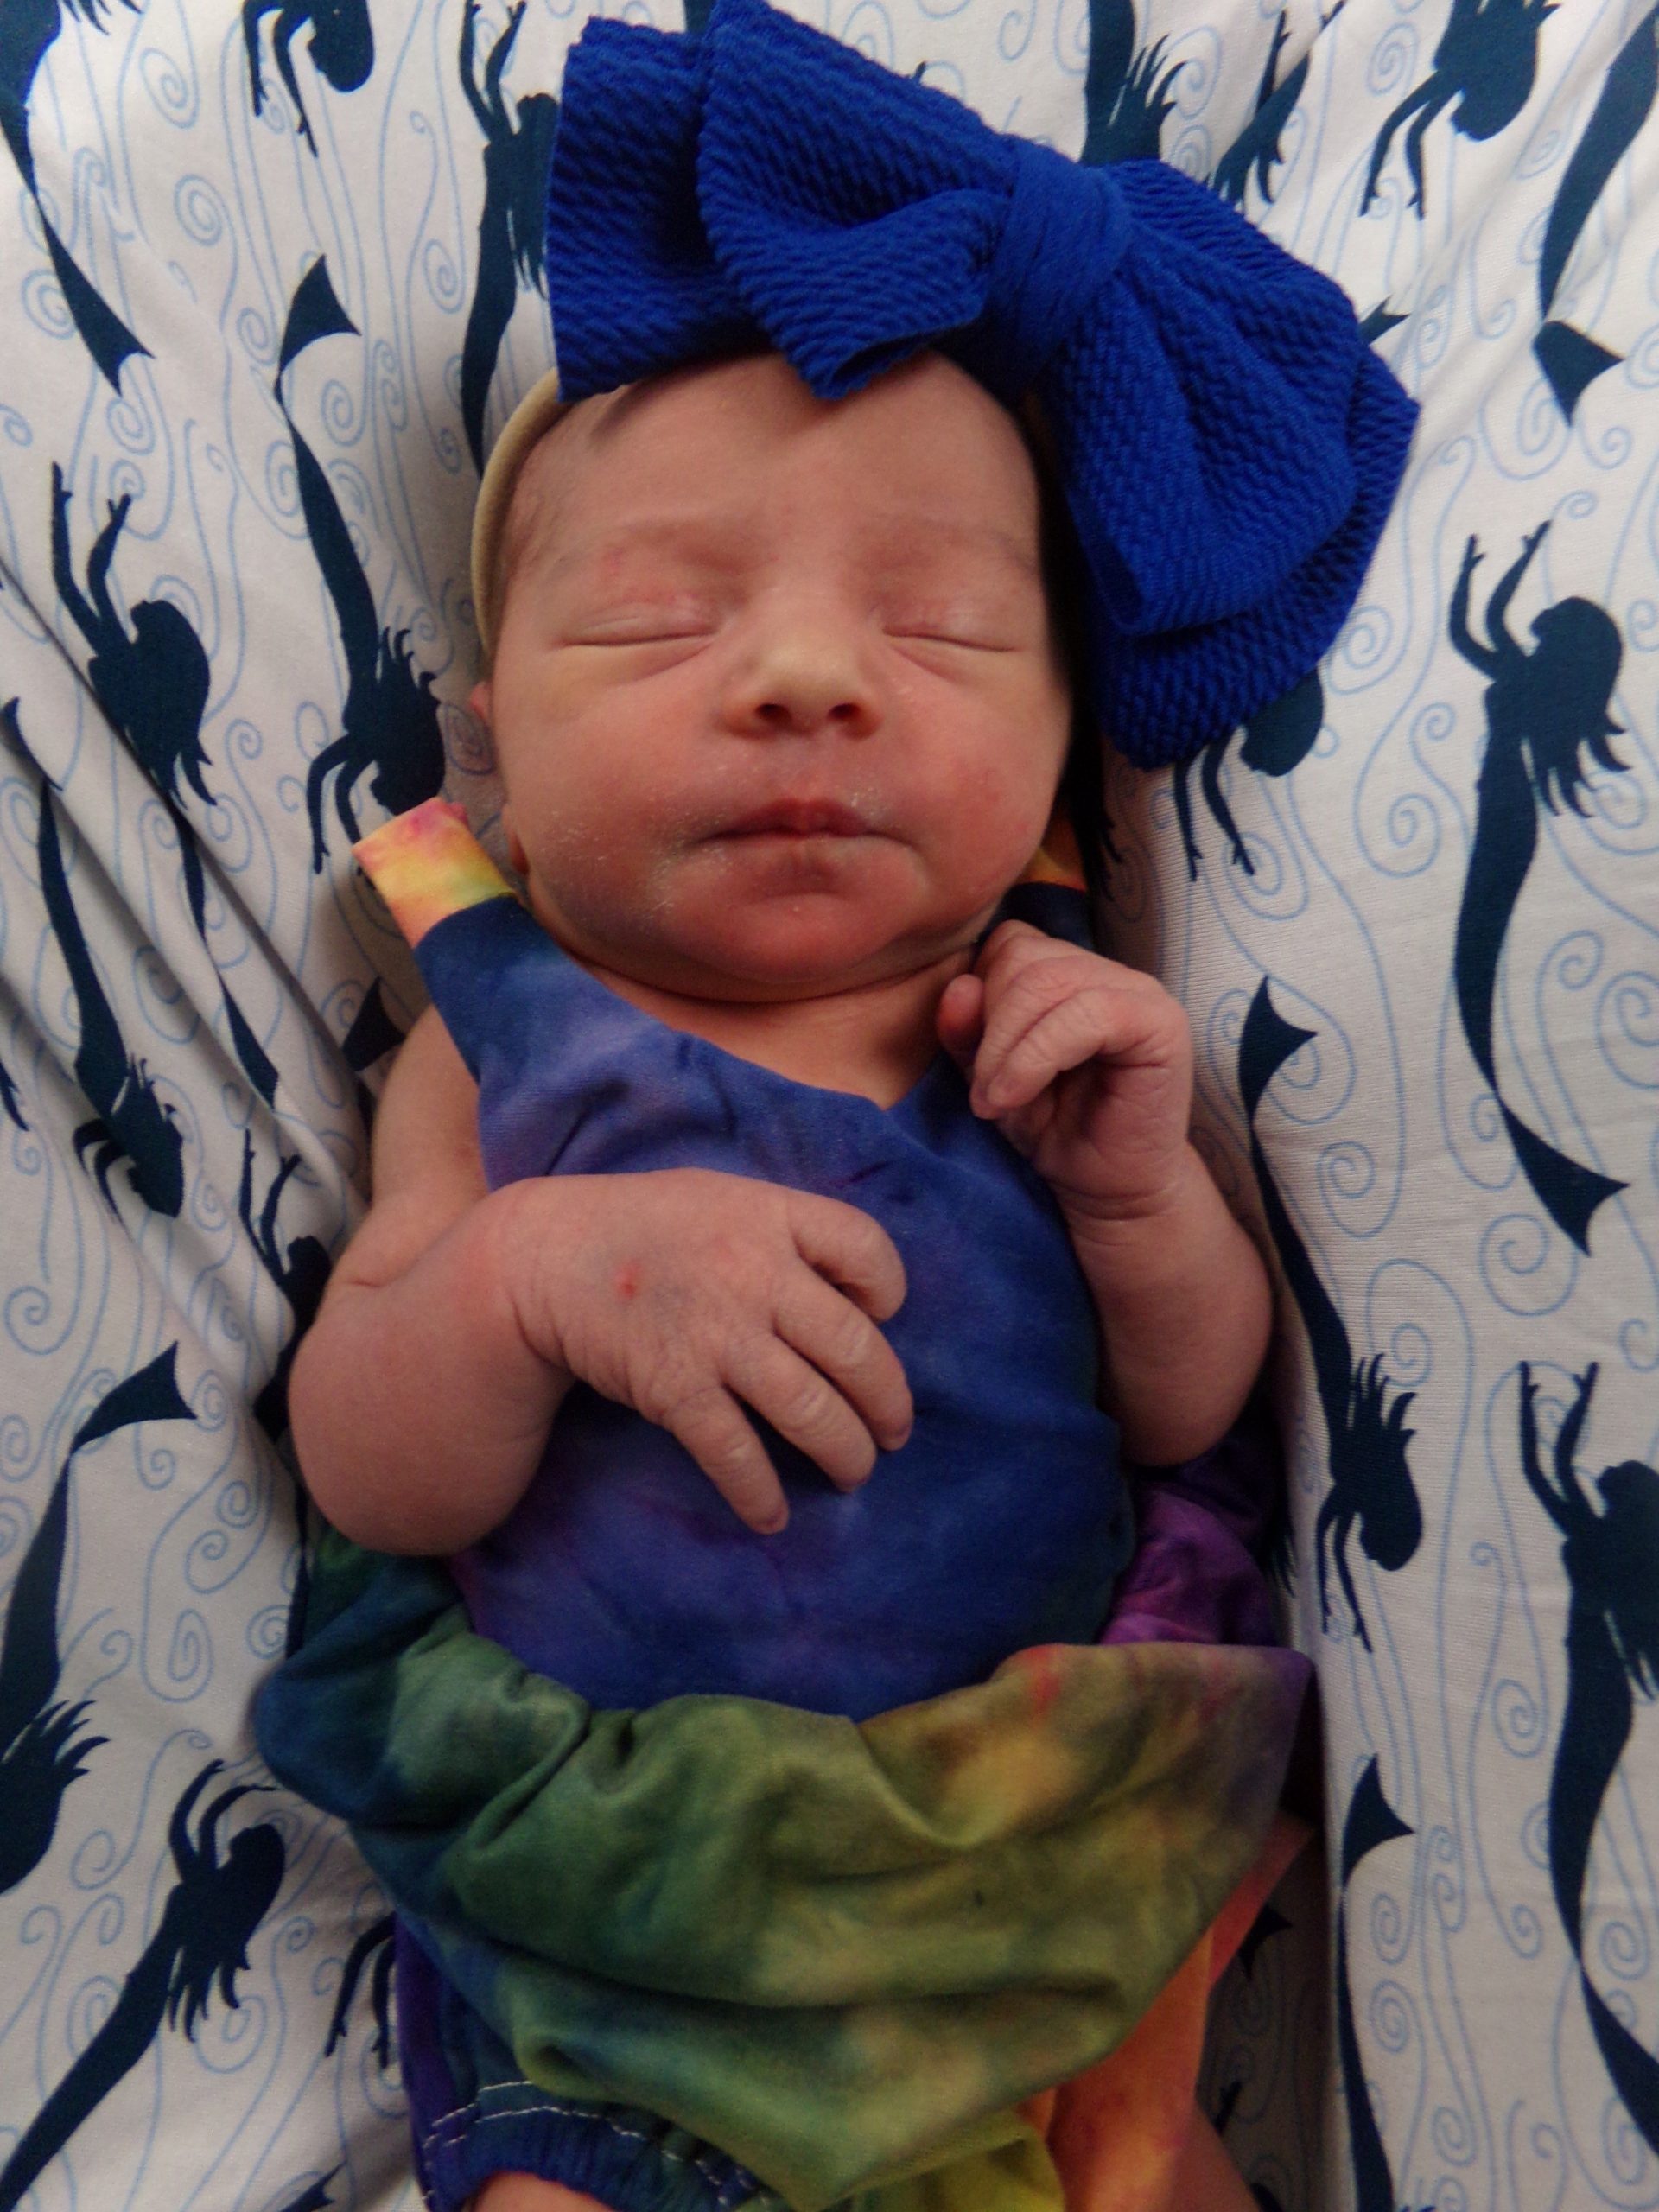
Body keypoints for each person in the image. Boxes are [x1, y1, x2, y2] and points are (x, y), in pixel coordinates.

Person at [262, 6, 1416, 2207]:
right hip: (641, 1917)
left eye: (943, 626)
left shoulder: (1046, 1020)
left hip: (1038, 1876)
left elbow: (1195, 1414)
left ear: (1064, 746)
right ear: (496, 751)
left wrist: (1139, 1201)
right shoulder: (501, 1039)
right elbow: (368, 1465)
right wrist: (528, 1278)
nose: (804, 674)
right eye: (658, 620)